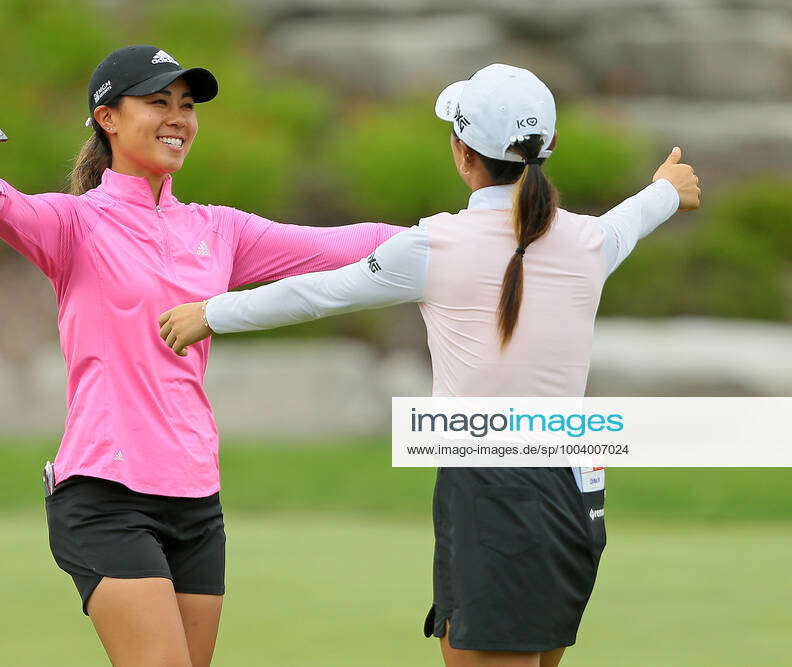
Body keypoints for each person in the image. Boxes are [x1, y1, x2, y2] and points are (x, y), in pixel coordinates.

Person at [157, 63, 700, 667]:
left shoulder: (434, 245)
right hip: (577, 489)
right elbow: (637, 214)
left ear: (463, 153)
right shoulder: (590, 241)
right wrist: (667, 188)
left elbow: (319, 293)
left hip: (494, 489)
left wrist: (212, 313)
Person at [0, 45, 403, 667]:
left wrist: (466, 233)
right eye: (157, 103)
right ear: (108, 118)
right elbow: (3, 204)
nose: (178, 117)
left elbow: (346, 246)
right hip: (106, 495)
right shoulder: (75, 224)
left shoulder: (219, 230)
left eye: (186, 106)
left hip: (196, 498)